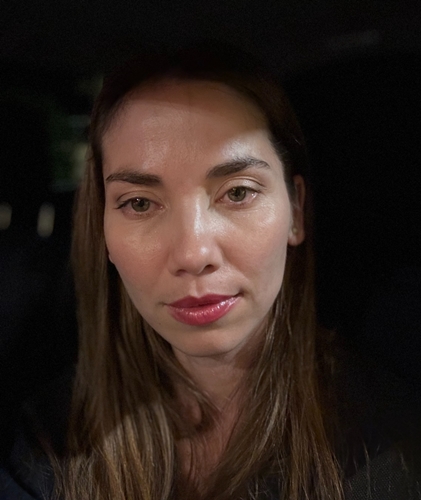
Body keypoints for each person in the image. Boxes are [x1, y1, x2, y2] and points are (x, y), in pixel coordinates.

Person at [1, 41, 420, 500]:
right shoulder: (46, 442)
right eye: (139, 203)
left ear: (296, 212)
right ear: (101, 230)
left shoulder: (394, 443)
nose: (192, 252)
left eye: (237, 193)